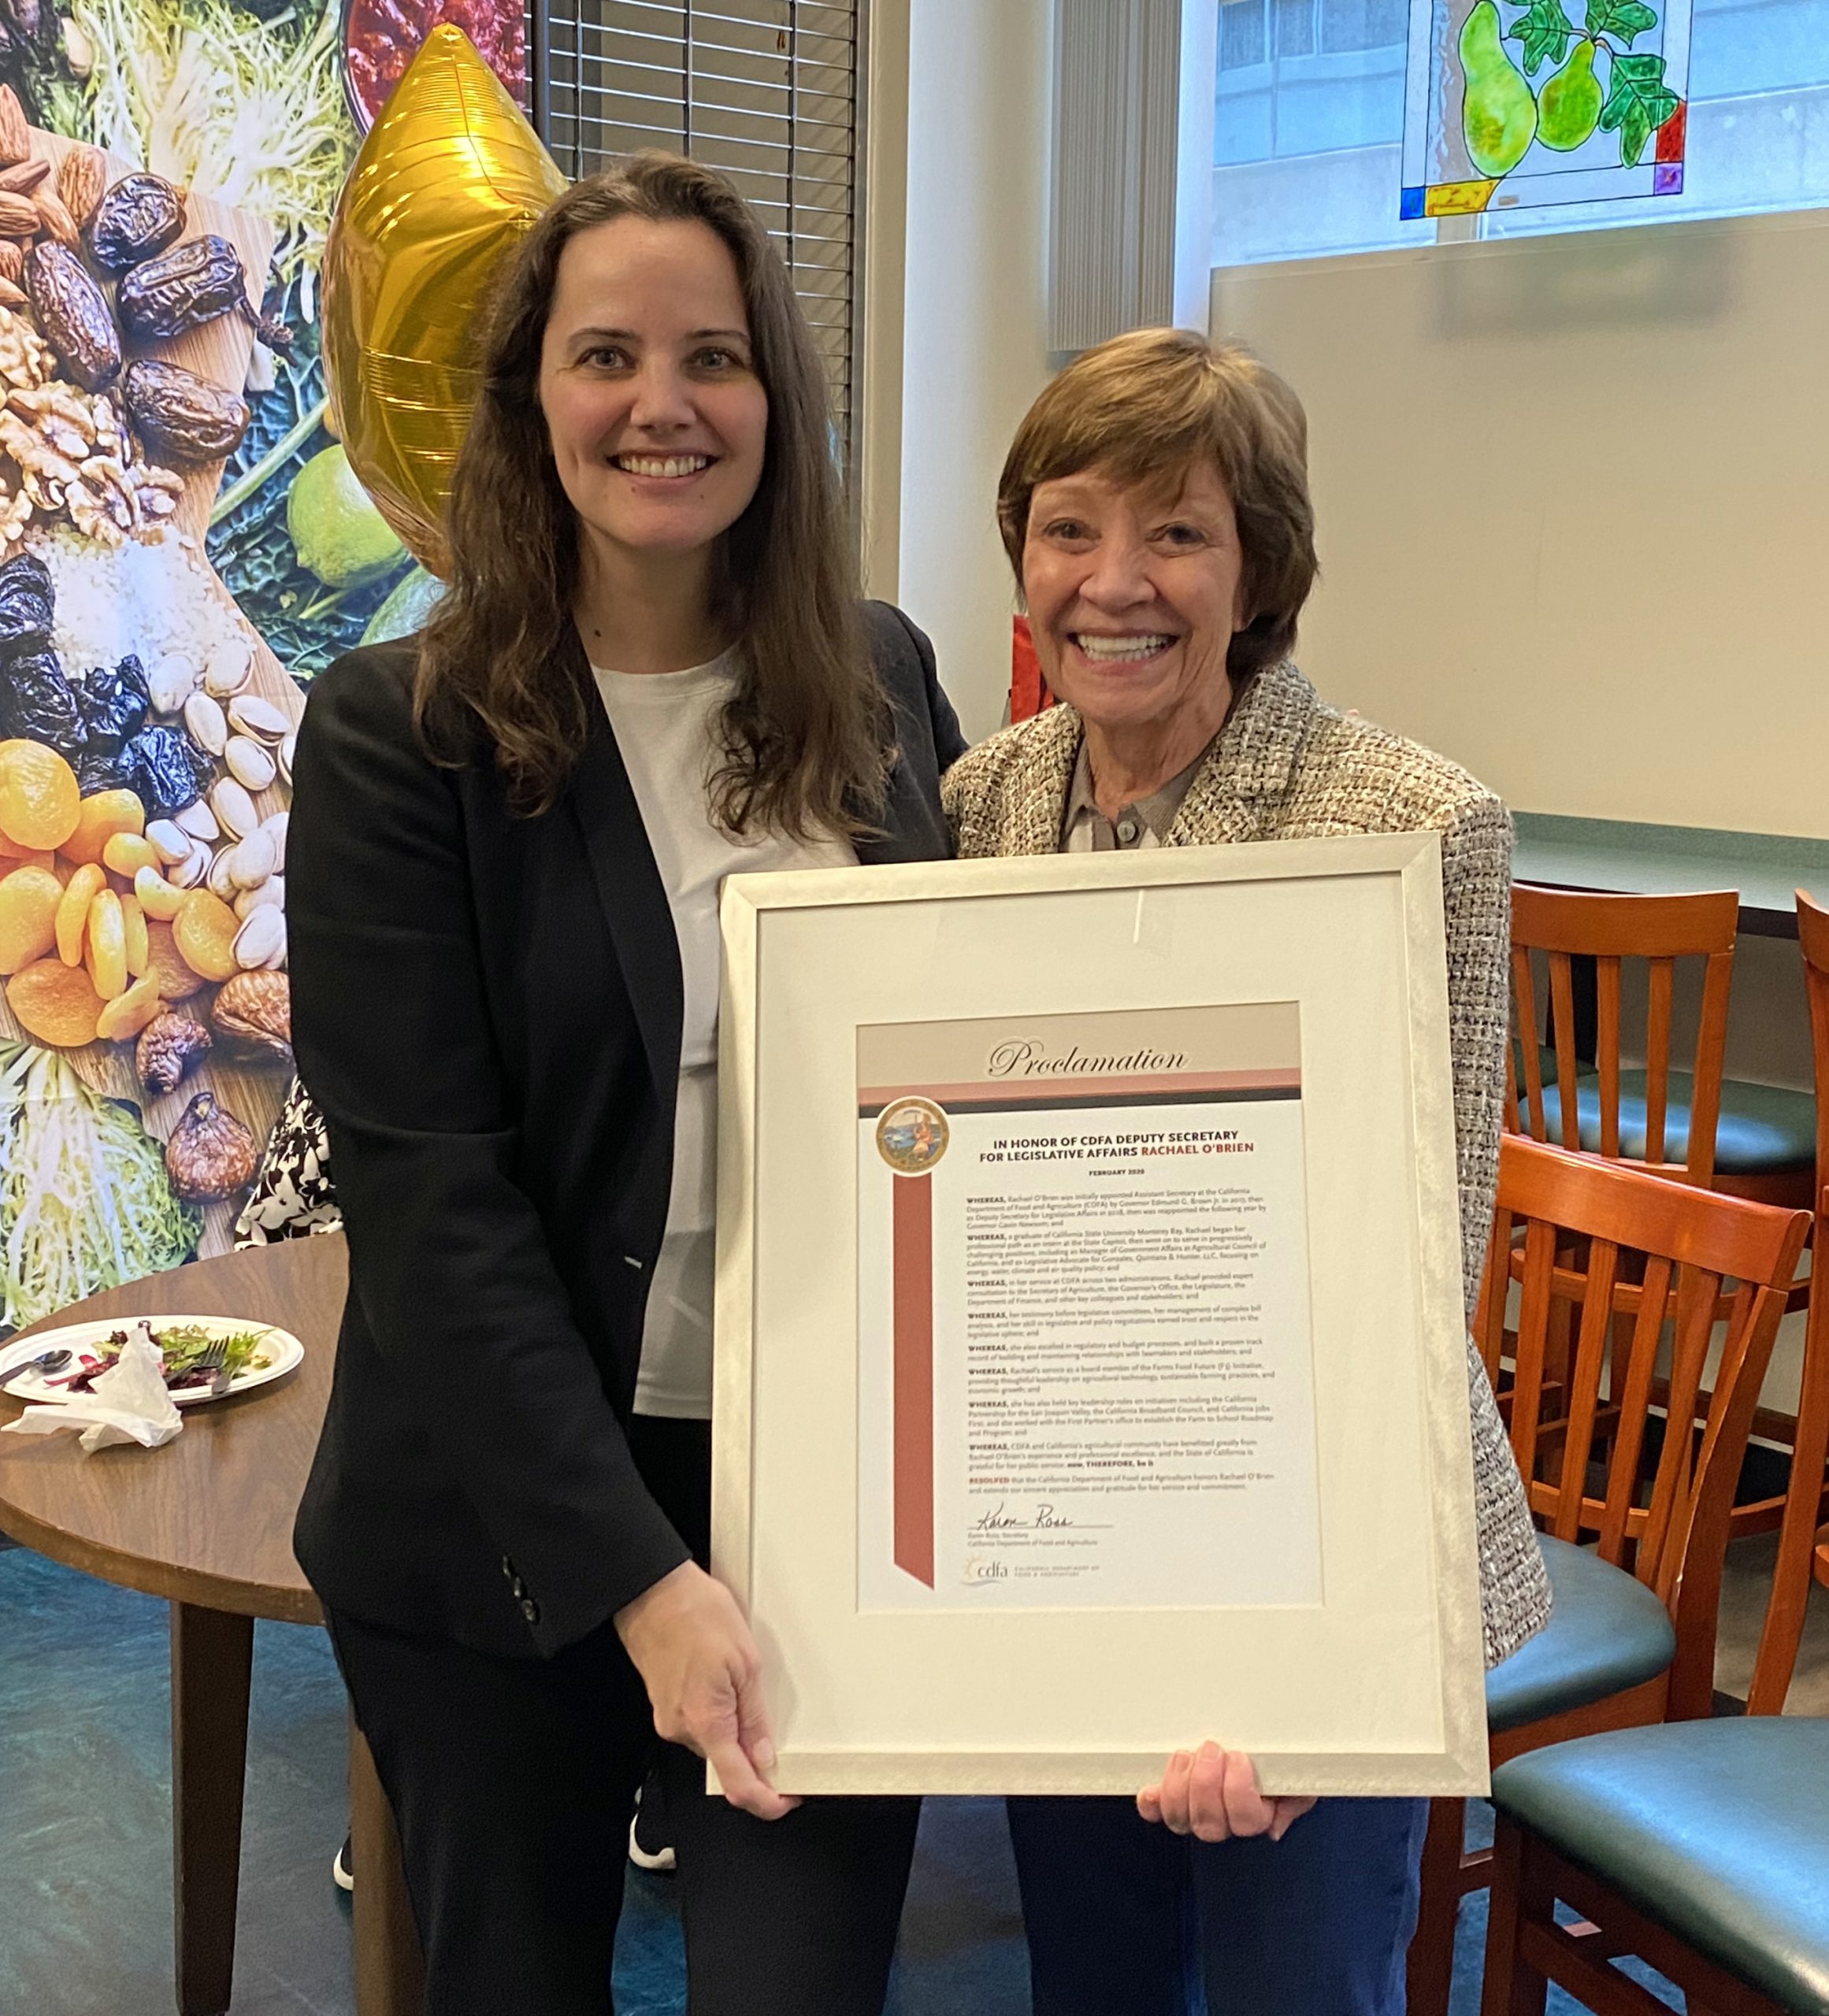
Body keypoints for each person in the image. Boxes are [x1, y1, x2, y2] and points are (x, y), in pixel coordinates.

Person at [282, 153, 965, 2014]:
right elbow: (432, 1205)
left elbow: (962, 1069)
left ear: (776, 398)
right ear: (531, 401)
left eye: (712, 356)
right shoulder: (397, 735)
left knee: (798, 1985)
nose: (664, 403)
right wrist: (641, 1579)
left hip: (824, 1493)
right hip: (495, 1518)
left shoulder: (881, 675)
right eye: (606, 355)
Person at [940, 327, 1553, 2016]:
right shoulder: (985, 799)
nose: (1113, 583)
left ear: (1261, 566)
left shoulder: (1408, 820)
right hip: (1057, 1532)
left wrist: (1317, 1667)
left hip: (1320, 1543)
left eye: (1178, 532)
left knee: (1303, 1986)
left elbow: (1412, 1270)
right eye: (1068, 528)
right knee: (1097, 1979)